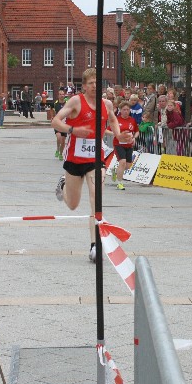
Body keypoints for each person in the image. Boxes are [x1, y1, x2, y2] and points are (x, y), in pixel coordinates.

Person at [52, 68, 131, 263]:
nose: (95, 86)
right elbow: (55, 121)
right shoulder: (76, 101)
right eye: (91, 83)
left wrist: (118, 134)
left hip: (95, 159)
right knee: (73, 205)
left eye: (98, 83)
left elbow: (112, 119)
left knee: (96, 200)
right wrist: (73, 130)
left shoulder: (107, 104)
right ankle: (63, 185)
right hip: (74, 159)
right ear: (84, 86)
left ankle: (95, 245)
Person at [113, 102, 139, 190]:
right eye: (124, 109)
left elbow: (137, 131)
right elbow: (107, 130)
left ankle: (116, 171)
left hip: (129, 145)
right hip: (118, 144)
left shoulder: (132, 120)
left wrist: (134, 138)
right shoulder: (116, 120)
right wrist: (117, 134)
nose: (126, 111)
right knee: (122, 162)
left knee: (127, 166)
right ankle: (119, 183)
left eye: (128, 110)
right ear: (120, 110)